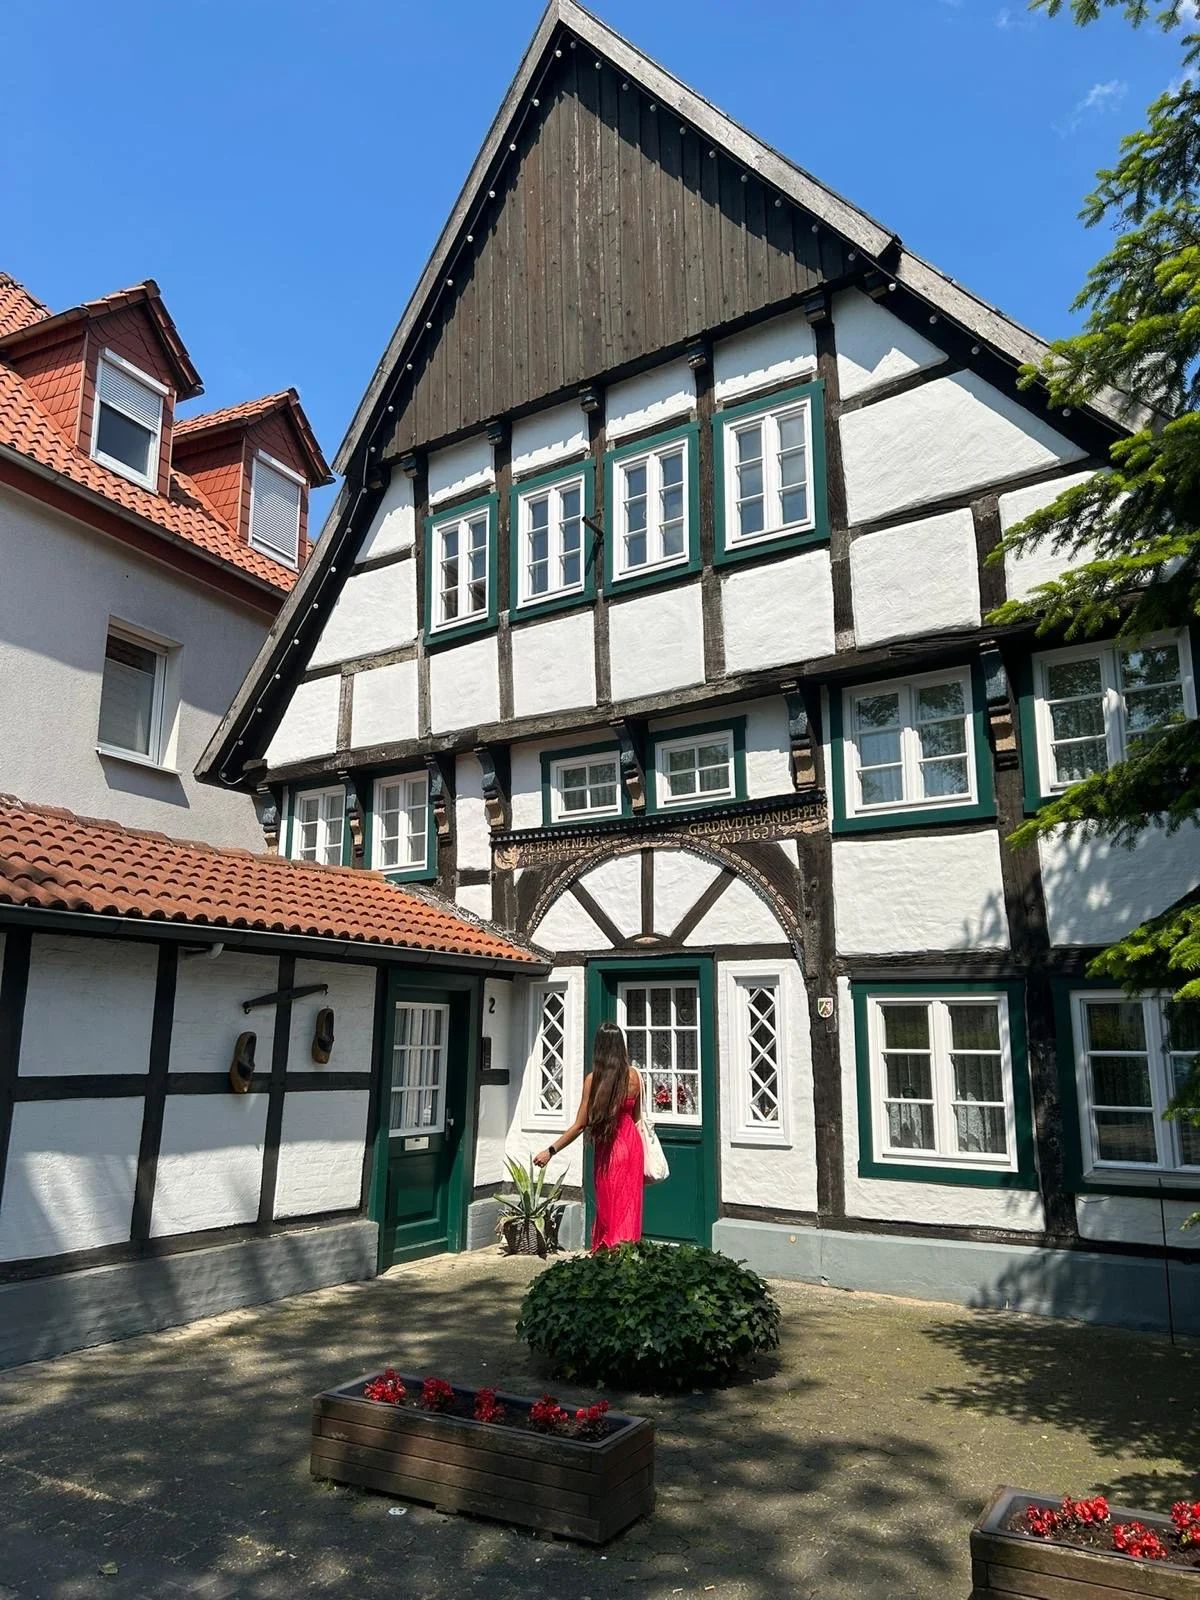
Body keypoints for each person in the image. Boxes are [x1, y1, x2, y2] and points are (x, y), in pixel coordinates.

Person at [533, 1020, 643, 1250]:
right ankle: (626, 1253)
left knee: (608, 1207)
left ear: (599, 1048)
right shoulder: (634, 1076)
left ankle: (608, 1253)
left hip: (610, 1147)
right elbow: (636, 1118)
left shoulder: (594, 1080)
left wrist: (551, 1151)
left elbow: (579, 1125)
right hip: (632, 1145)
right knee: (628, 1206)